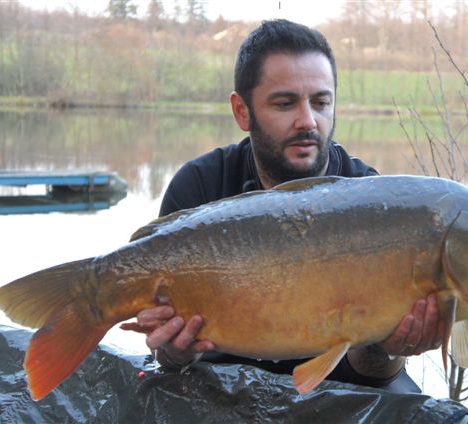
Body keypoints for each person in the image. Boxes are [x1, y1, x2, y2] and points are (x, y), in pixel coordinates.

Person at [130, 19, 445, 394]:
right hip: (219, 381)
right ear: (242, 111)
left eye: (321, 102)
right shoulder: (201, 185)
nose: (308, 121)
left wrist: (388, 347)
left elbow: (373, 374)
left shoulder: (369, 196)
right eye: (285, 103)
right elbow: (168, 356)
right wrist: (174, 351)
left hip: (334, 389)